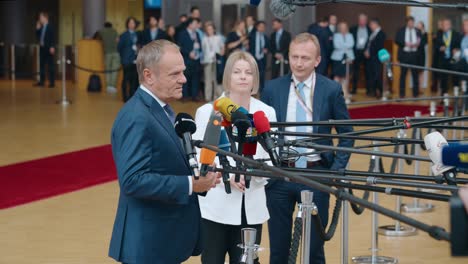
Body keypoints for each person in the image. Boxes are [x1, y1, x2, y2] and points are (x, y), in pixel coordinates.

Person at [108, 39, 221, 264]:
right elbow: (132, 180)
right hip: (148, 244)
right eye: (174, 74)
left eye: (183, 72)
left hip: (163, 240)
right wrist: (191, 184)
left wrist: (200, 177)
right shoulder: (136, 117)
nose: (184, 79)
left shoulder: (162, 109)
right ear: (149, 76)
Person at [261, 33, 354, 264]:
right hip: (280, 177)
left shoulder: (331, 89)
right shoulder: (272, 88)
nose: (299, 63)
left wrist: (336, 171)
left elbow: (347, 133)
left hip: (316, 173)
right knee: (279, 250)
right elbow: (263, 133)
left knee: (314, 250)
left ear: (317, 60)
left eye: (305, 57)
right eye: (294, 57)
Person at [193, 50, 277, 264]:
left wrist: (251, 174)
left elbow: (271, 158)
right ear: (227, 76)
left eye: (248, 72)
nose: (242, 76)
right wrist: (227, 176)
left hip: (252, 206)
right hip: (216, 208)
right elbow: (198, 158)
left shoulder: (266, 112)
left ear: (254, 79)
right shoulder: (207, 112)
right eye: (237, 71)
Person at [395, 16, 422, 98]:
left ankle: (415, 93)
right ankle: (402, 94)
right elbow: (397, 40)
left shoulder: (418, 31)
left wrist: (418, 44)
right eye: (409, 22)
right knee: (403, 75)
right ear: (407, 22)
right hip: (404, 55)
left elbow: (422, 40)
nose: (411, 24)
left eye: (412, 22)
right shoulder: (401, 30)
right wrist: (405, 43)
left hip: (414, 55)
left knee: (415, 75)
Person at [434, 18, 462, 95]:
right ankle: (444, 98)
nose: (443, 26)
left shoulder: (456, 34)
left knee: (455, 79)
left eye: (445, 24)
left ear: (450, 25)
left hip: (453, 59)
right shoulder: (439, 34)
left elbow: (460, 46)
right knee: (443, 80)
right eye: (442, 25)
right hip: (443, 60)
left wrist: (457, 50)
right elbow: (436, 46)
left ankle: (456, 97)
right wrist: (440, 48)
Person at [177, 18, 203, 101]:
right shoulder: (182, 34)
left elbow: (199, 45)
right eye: (195, 23)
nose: (196, 25)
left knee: (195, 78)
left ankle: (194, 96)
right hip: (186, 59)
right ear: (190, 24)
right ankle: (184, 96)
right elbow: (180, 47)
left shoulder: (197, 34)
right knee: (185, 78)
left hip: (196, 59)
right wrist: (188, 53)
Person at [331, 22, 355, 104]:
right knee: (337, 77)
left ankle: (345, 95)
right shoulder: (336, 35)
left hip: (349, 58)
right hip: (337, 58)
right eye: (342, 27)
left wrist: (343, 45)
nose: (343, 29)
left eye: (345, 27)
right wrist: (346, 46)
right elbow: (336, 45)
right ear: (339, 28)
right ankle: (336, 94)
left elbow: (351, 44)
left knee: (346, 76)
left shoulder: (350, 35)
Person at [118, 17, 140, 102]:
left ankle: (132, 96)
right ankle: (125, 96)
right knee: (125, 79)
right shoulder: (124, 35)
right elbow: (119, 47)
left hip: (135, 60)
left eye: (133, 23)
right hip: (126, 60)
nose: (131, 24)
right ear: (127, 24)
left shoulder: (137, 34)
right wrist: (124, 56)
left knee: (134, 79)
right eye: (130, 23)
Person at [201, 22, 225, 101]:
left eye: (211, 29)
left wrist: (220, 54)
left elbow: (222, 48)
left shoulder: (218, 38)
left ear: (214, 29)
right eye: (208, 29)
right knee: (207, 79)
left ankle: (216, 96)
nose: (209, 31)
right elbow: (203, 50)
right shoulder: (204, 39)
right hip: (207, 61)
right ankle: (207, 97)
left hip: (216, 60)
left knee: (216, 79)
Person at [365, 18, 386, 98]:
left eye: (371, 25)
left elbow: (379, 46)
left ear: (375, 24)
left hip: (376, 58)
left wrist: (369, 52)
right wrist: (366, 51)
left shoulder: (381, 34)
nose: (370, 26)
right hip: (370, 58)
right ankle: (373, 91)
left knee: (377, 75)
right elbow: (369, 44)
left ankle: (380, 91)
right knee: (371, 75)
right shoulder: (372, 33)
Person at [350, 14, 371, 95]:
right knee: (355, 72)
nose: (362, 22)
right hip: (356, 52)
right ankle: (354, 89)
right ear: (358, 21)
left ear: (366, 21)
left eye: (364, 20)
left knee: (368, 72)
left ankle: (369, 90)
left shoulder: (370, 29)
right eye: (361, 20)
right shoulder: (353, 29)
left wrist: (368, 51)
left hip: (366, 52)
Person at [98, 21, 120, 93]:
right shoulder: (115, 31)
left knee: (108, 70)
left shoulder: (102, 31)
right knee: (114, 70)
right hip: (116, 53)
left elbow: (96, 36)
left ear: (105, 26)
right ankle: (113, 86)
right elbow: (118, 40)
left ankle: (108, 86)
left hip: (107, 53)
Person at [35, 11, 55, 88]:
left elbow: (53, 37)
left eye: (41, 17)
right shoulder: (41, 27)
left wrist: (52, 46)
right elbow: (38, 37)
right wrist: (37, 29)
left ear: (45, 18)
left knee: (50, 66)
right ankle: (42, 82)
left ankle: (52, 83)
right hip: (42, 48)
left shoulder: (50, 26)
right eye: (39, 17)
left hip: (49, 48)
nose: (40, 19)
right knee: (41, 66)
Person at [248, 21, 269, 92]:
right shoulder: (252, 36)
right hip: (253, 58)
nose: (262, 28)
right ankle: (252, 91)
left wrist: (266, 50)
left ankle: (262, 91)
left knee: (262, 75)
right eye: (260, 26)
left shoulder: (265, 37)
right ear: (257, 27)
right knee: (253, 74)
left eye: (263, 27)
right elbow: (249, 47)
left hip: (262, 59)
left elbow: (267, 47)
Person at [416, 21, 428, 93]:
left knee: (421, 72)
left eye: (419, 25)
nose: (418, 26)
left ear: (422, 26)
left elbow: (425, 43)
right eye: (417, 25)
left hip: (422, 55)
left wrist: (422, 34)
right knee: (415, 72)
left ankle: (420, 88)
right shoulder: (415, 33)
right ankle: (416, 88)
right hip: (415, 54)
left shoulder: (425, 34)